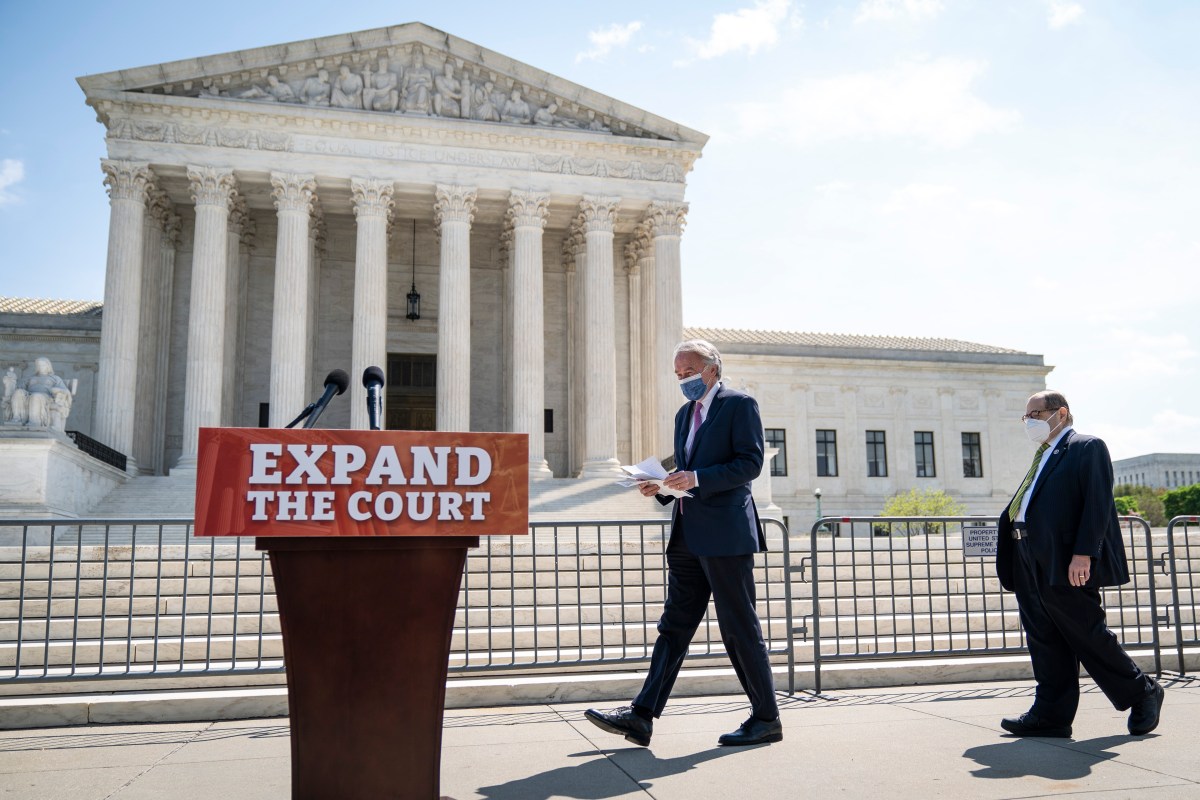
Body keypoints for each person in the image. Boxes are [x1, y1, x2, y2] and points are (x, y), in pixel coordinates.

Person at [584, 339, 781, 748]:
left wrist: (697, 479)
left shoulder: (739, 404)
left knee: (738, 627)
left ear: (711, 369)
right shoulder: (684, 414)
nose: (683, 380)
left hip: (725, 535)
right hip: (687, 534)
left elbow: (750, 463)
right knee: (673, 627)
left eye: (687, 372)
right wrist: (658, 486)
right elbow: (684, 467)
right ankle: (641, 716)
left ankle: (766, 718)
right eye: (677, 374)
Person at [997, 390, 1164, 738]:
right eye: (1025, 417)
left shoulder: (1087, 447)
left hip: (1064, 559)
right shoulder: (1043, 455)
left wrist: (1084, 553)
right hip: (1027, 555)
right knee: (1043, 637)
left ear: (1061, 413)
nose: (1029, 422)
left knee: (1086, 632)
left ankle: (1142, 691)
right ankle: (1051, 714)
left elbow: (1097, 504)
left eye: (1035, 414)